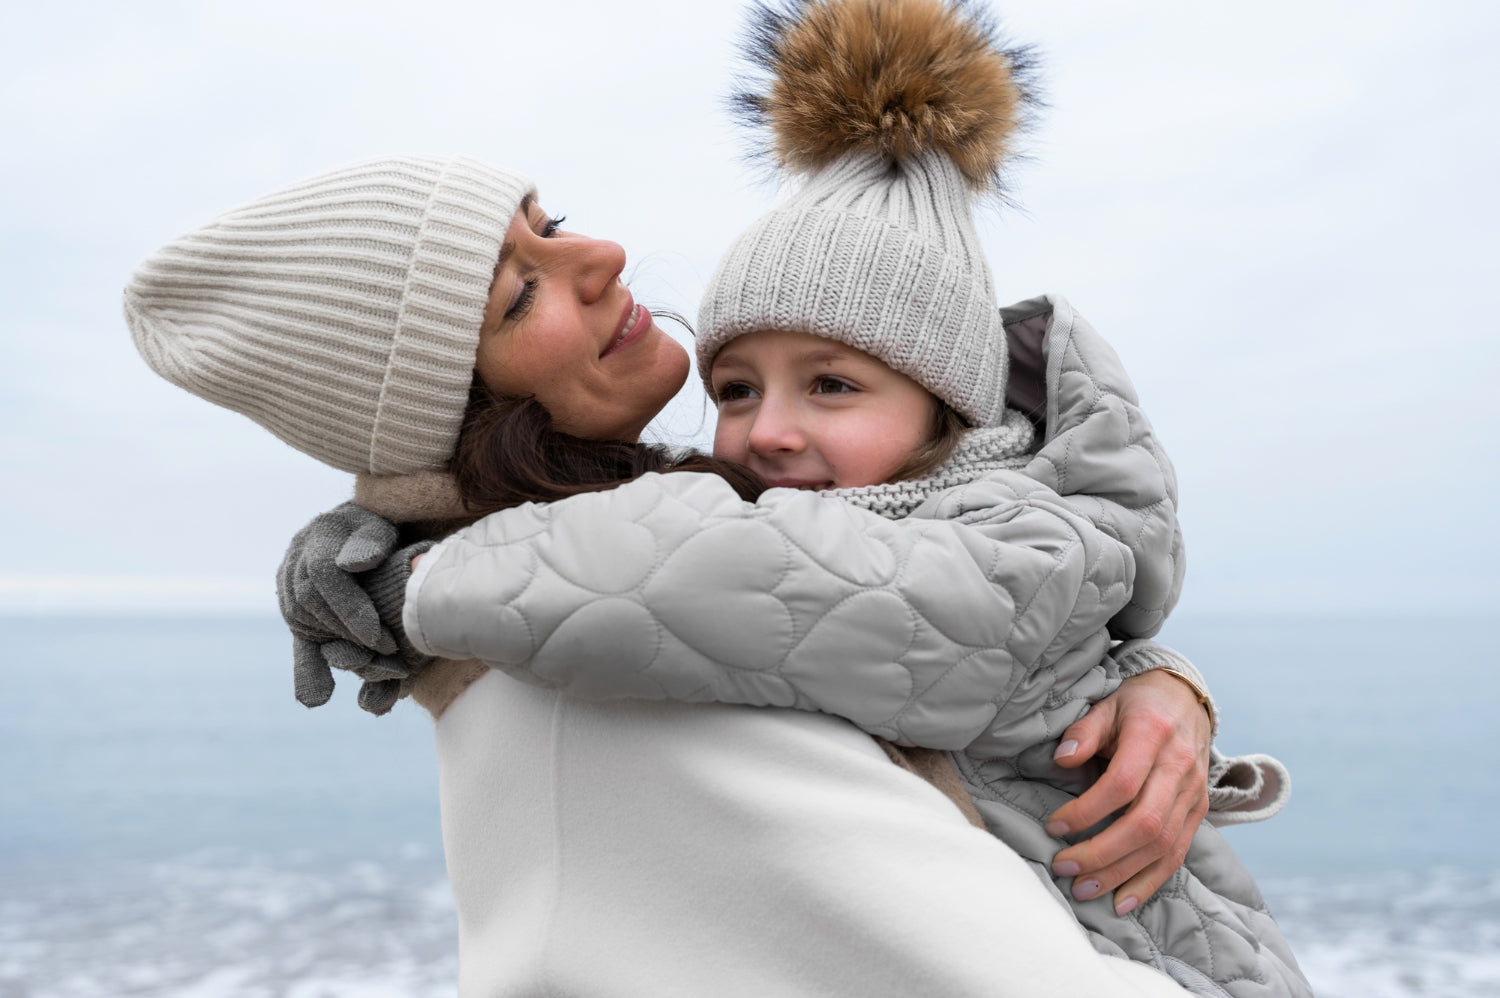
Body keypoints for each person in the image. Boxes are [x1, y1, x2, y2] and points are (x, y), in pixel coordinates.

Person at [356, 2, 1307, 994]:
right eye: (734, 389)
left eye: (833, 385)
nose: (768, 429)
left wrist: (420, 579)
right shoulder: (860, 513)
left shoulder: (1007, 535)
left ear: (948, 410)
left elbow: (713, 573)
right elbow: (691, 533)